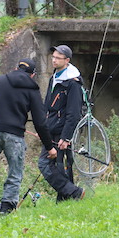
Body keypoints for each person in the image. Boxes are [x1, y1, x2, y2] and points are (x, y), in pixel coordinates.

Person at [0, 58, 57, 218]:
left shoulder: (1, 80)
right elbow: (40, 121)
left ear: (16, 68)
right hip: (15, 135)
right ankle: (6, 208)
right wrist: (49, 147)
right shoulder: (32, 89)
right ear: (33, 75)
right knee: (15, 172)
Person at [38, 45, 86, 201]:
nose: (54, 60)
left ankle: (73, 192)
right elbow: (47, 105)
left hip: (62, 131)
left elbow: (74, 113)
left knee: (46, 163)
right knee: (60, 165)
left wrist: (66, 137)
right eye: (53, 57)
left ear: (67, 60)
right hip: (51, 129)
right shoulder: (54, 77)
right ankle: (67, 197)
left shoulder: (73, 83)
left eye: (58, 58)